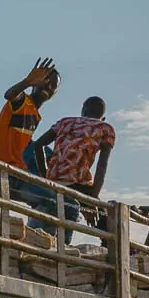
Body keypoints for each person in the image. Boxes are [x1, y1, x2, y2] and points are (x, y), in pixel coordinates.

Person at [26, 97, 116, 238]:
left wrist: (45, 175)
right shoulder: (105, 128)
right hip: (77, 183)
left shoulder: (65, 122)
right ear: (102, 118)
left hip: (54, 179)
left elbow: (38, 145)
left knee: (68, 211)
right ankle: (112, 247)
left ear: (82, 111)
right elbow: (102, 164)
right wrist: (92, 198)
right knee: (103, 216)